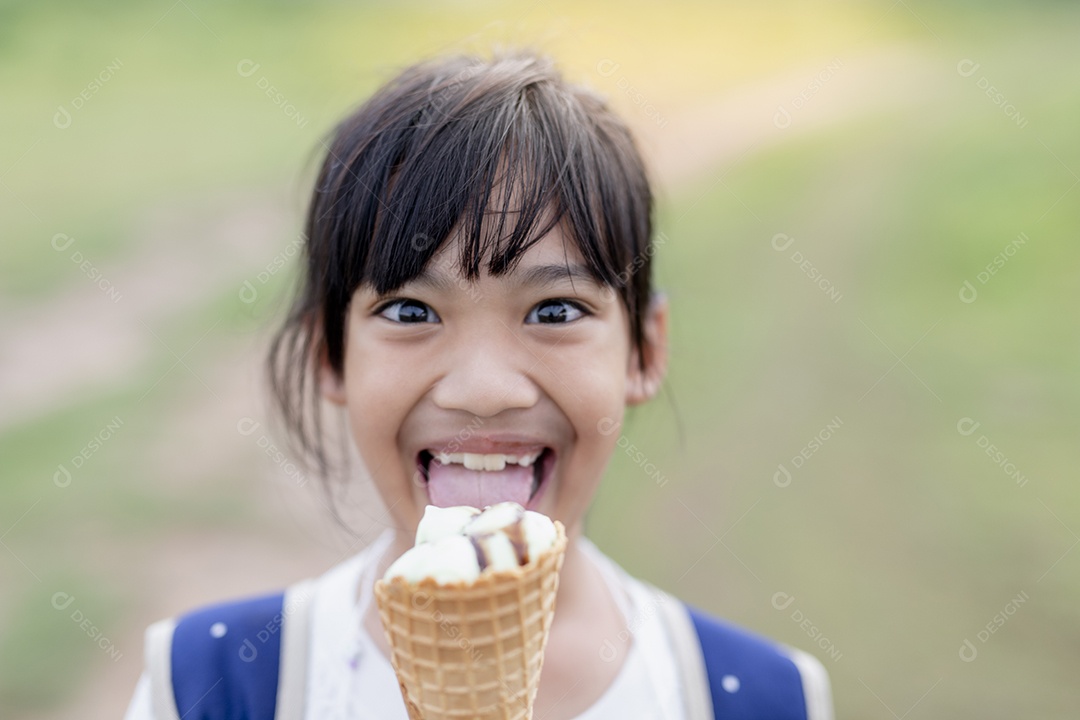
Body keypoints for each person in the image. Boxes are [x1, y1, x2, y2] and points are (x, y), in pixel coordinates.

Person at [124, 50, 835, 720]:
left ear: (644, 351)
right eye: (410, 311)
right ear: (330, 356)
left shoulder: (758, 698)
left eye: (555, 311)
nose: (485, 389)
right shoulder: (210, 687)